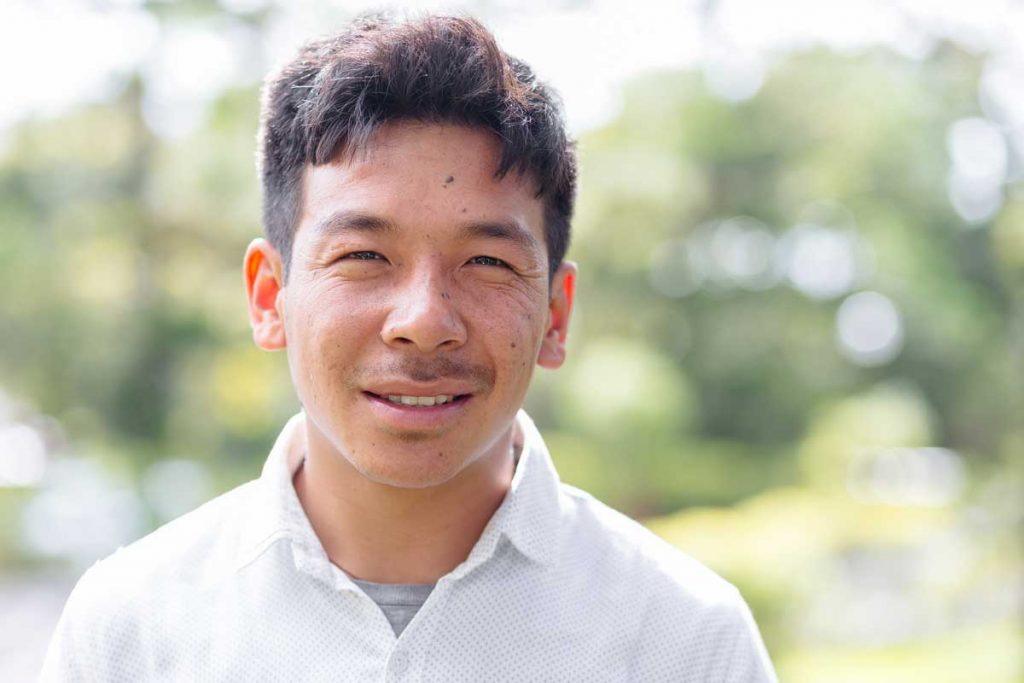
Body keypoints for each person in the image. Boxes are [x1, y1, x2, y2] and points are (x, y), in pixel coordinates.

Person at [41, 13, 777, 681]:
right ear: (271, 297)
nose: (424, 320)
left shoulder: (685, 640)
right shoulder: (129, 631)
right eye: (364, 255)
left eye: (486, 261)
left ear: (555, 313)